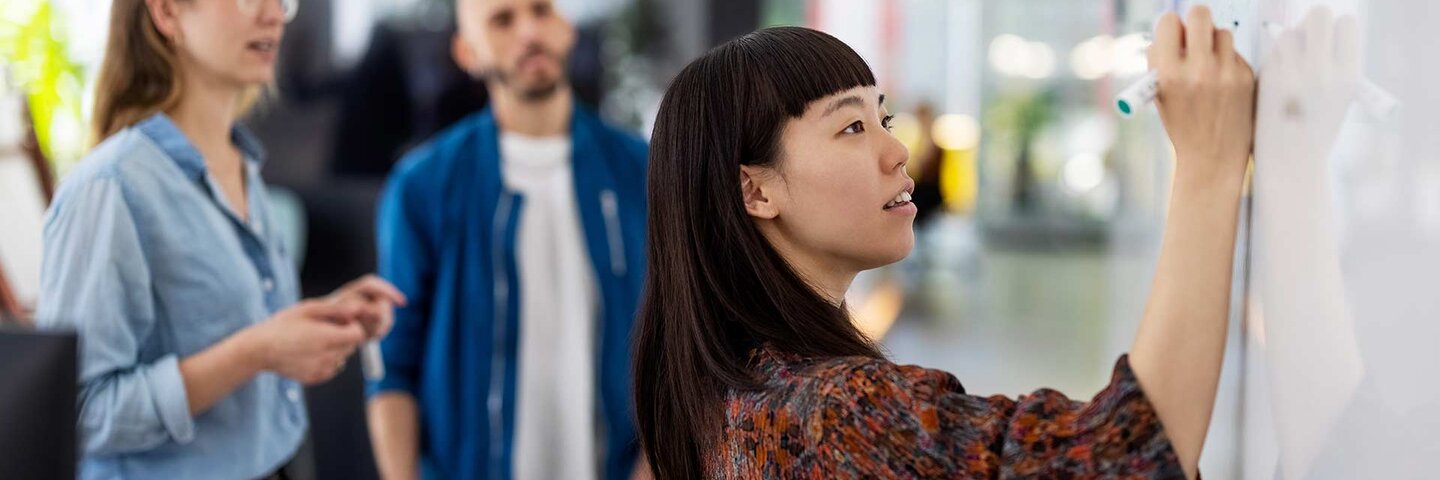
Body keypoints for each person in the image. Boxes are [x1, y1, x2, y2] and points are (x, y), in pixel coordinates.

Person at [633, 7, 1254, 479]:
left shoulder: (726, 390)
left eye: (886, 118)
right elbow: (1131, 452)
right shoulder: (831, 415)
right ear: (756, 192)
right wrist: (1208, 166)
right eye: (851, 126)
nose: (898, 150)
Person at [35, 1, 406, 479]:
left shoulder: (242, 166)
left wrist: (323, 319)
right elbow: (79, 414)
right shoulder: (110, 188)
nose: (273, 14)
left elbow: (236, 330)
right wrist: (256, 350)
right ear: (167, 14)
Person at [365, 0, 648, 478]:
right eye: (502, 20)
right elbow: (392, 366)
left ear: (565, 28)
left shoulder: (641, 171)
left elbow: (687, 348)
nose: (529, 32)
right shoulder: (423, 186)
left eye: (541, 11)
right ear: (466, 52)